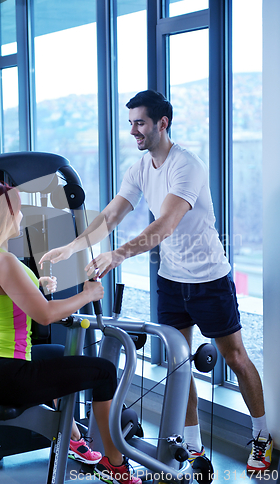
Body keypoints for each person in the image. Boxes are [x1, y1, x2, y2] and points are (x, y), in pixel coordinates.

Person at [40, 90, 273, 473]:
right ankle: (193, 447)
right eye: (130, 122)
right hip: (171, 281)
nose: (133, 130)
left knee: (235, 357)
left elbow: (165, 224)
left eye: (140, 123)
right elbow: (112, 215)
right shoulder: (140, 167)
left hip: (208, 278)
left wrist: (117, 255)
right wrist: (73, 247)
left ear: (162, 123)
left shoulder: (186, 166)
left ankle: (262, 439)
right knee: (181, 364)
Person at [0, 182, 141, 484]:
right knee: (103, 372)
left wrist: (39, 285)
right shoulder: (4, 261)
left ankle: (73, 441)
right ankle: (115, 465)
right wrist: (88, 294)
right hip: (6, 373)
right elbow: (44, 315)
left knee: (63, 356)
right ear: (5, 215)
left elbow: (3, 294)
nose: (21, 217)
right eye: (18, 211)